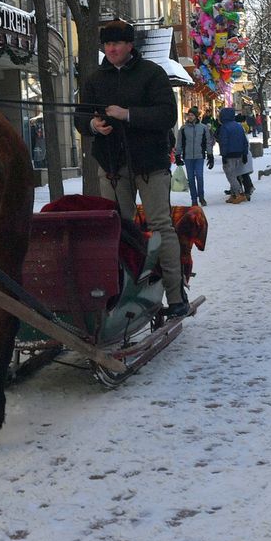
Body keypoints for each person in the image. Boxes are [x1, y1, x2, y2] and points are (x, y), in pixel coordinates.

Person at [77, 19, 187, 318]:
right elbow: (81, 116)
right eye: (107, 44)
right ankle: (118, 294)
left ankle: (176, 294)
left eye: (117, 43)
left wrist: (128, 115)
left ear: (130, 45)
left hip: (150, 164)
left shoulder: (152, 73)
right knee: (115, 229)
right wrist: (93, 125)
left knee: (160, 225)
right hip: (111, 166)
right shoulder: (95, 79)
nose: (111, 49)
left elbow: (166, 115)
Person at [177, 106, 214, 207]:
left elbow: (208, 142)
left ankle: (201, 196)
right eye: (188, 115)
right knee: (191, 178)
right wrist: (177, 155)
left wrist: (210, 155)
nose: (190, 117)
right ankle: (194, 199)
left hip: (199, 156)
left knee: (199, 176)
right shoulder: (183, 129)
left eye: (192, 115)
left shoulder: (203, 128)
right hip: (187, 157)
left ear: (196, 116)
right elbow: (179, 142)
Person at [218, 107, 251, 203]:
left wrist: (223, 155)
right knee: (235, 174)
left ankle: (239, 194)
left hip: (229, 154)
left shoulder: (224, 127)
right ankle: (233, 194)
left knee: (230, 175)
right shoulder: (238, 126)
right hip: (239, 154)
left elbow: (224, 143)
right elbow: (244, 141)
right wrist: (244, 154)